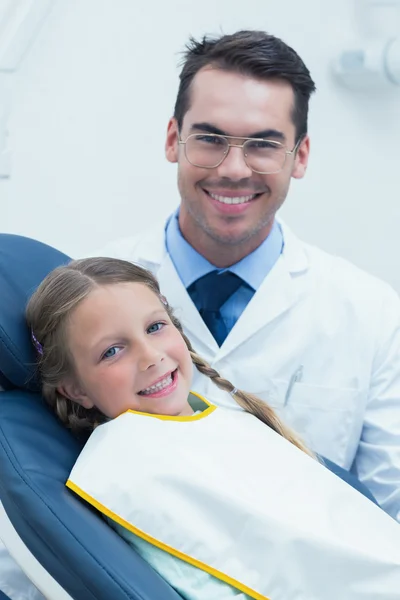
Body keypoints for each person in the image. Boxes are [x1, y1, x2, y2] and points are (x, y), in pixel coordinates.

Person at [95, 30, 400, 521]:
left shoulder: (372, 314)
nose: (234, 169)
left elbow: (393, 511)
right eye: (211, 139)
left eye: (263, 144)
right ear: (174, 140)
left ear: (299, 156)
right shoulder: (88, 297)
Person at [25, 257, 400, 600]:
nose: (151, 356)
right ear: (75, 389)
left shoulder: (219, 420)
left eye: (155, 327)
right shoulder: (128, 466)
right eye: (112, 351)